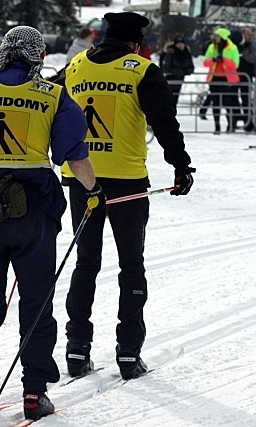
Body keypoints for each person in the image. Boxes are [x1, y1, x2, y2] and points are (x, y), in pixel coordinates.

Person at [0, 26, 102, 421]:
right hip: (33, 211)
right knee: (37, 303)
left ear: (3, 51)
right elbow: (73, 154)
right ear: (39, 56)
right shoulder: (52, 95)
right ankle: (34, 392)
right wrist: (94, 191)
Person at [50, 12, 195, 381]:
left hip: (83, 179)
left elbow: (47, 102)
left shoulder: (77, 66)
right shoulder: (141, 69)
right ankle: (129, 353)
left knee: (86, 263)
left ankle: (76, 348)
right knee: (131, 264)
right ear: (136, 42)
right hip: (126, 181)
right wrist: (181, 165)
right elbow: (164, 121)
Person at [199, 28, 241, 134]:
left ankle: (231, 124)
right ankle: (217, 126)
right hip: (214, 78)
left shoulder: (232, 48)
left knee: (227, 102)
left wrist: (224, 60)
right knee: (216, 103)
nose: (215, 38)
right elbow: (205, 62)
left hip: (227, 79)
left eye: (217, 36)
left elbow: (235, 64)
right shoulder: (212, 47)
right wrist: (213, 60)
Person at [236, 27, 256, 131]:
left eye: (251, 35)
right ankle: (234, 120)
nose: (250, 37)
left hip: (247, 76)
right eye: (248, 34)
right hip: (235, 75)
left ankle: (248, 122)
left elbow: (254, 59)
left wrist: (244, 53)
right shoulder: (235, 45)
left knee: (246, 99)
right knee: (233, 99)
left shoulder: (252, 46)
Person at [162, 36, 194, 105]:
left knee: (175, 99)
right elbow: (166, 67)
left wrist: (186, 72)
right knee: (168, 99)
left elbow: (191, 67)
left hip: (180, 80)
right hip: (170, 79)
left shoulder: (186, 54)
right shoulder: (170, 53)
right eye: (178, 44)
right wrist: (177, 72)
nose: (180, 46)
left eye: (182, 44)